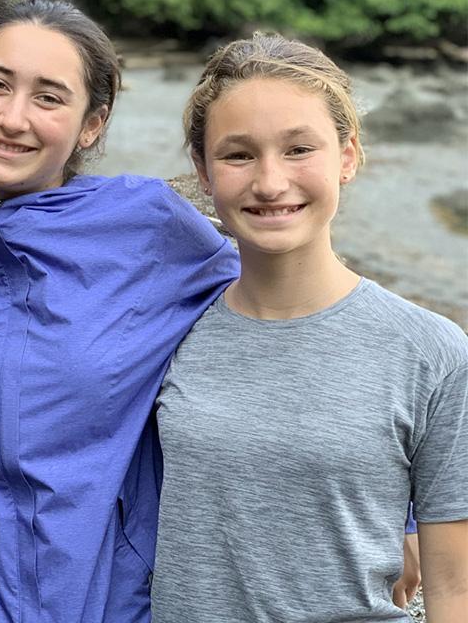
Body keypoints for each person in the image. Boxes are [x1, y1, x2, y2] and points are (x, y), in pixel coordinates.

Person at [153, 34, 468, 622]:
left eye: (299, 149)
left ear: (348, 156)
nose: (270, 183)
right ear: (202, 170)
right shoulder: (166, 333)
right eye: (238, 154)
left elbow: (456, 591)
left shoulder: (435, 353)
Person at [0, 0, 240, 621]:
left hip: (113, 600)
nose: (12, 117)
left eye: (49, 98)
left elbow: (293, 315)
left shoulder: (145, 225)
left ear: (91, 124)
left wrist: (402, 502)